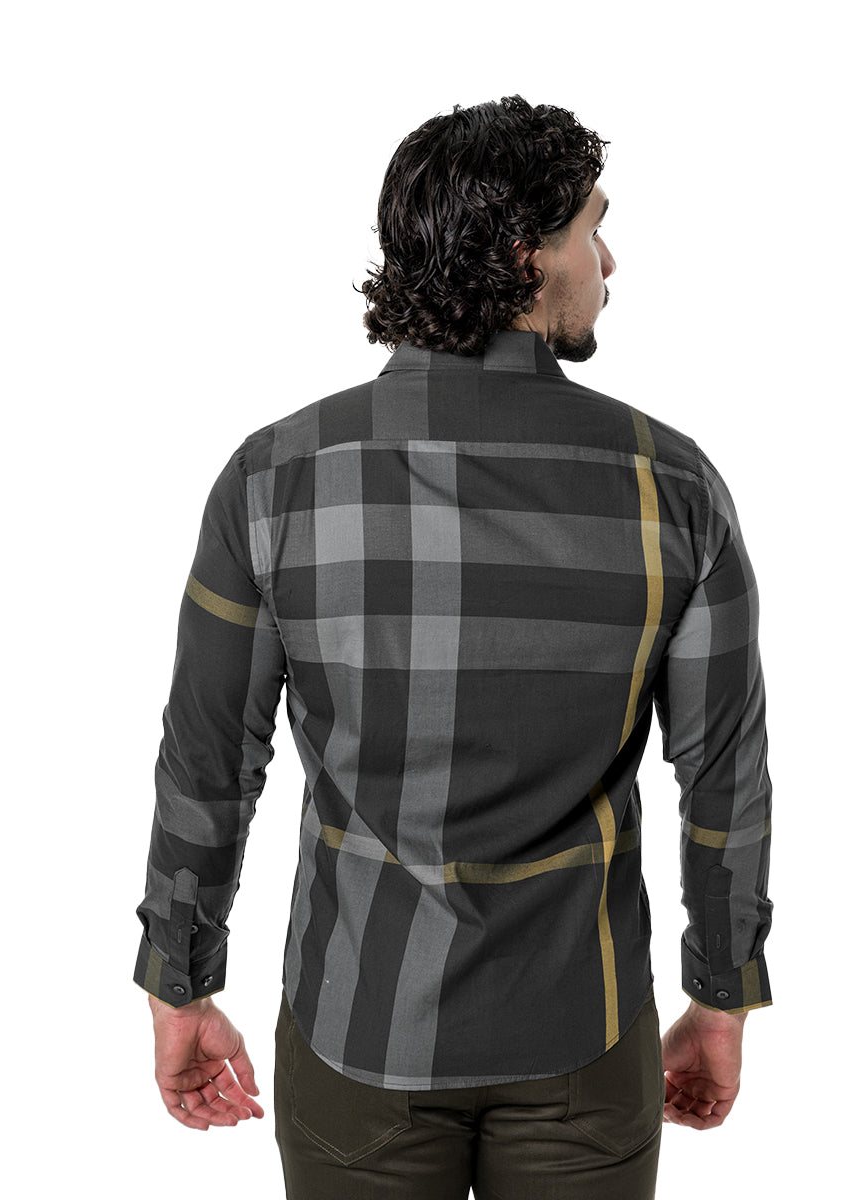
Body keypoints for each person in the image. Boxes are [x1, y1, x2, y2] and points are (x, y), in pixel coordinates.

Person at [132, 95, 773, 1199]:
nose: (608, 260)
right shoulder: (671, 486)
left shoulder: (275, 480)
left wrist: (178, 985)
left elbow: (208, 763)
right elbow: (722, 777)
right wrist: (721, 997)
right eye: (592, 229)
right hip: (585, 1034)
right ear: (527, 254)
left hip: (357, 1029)